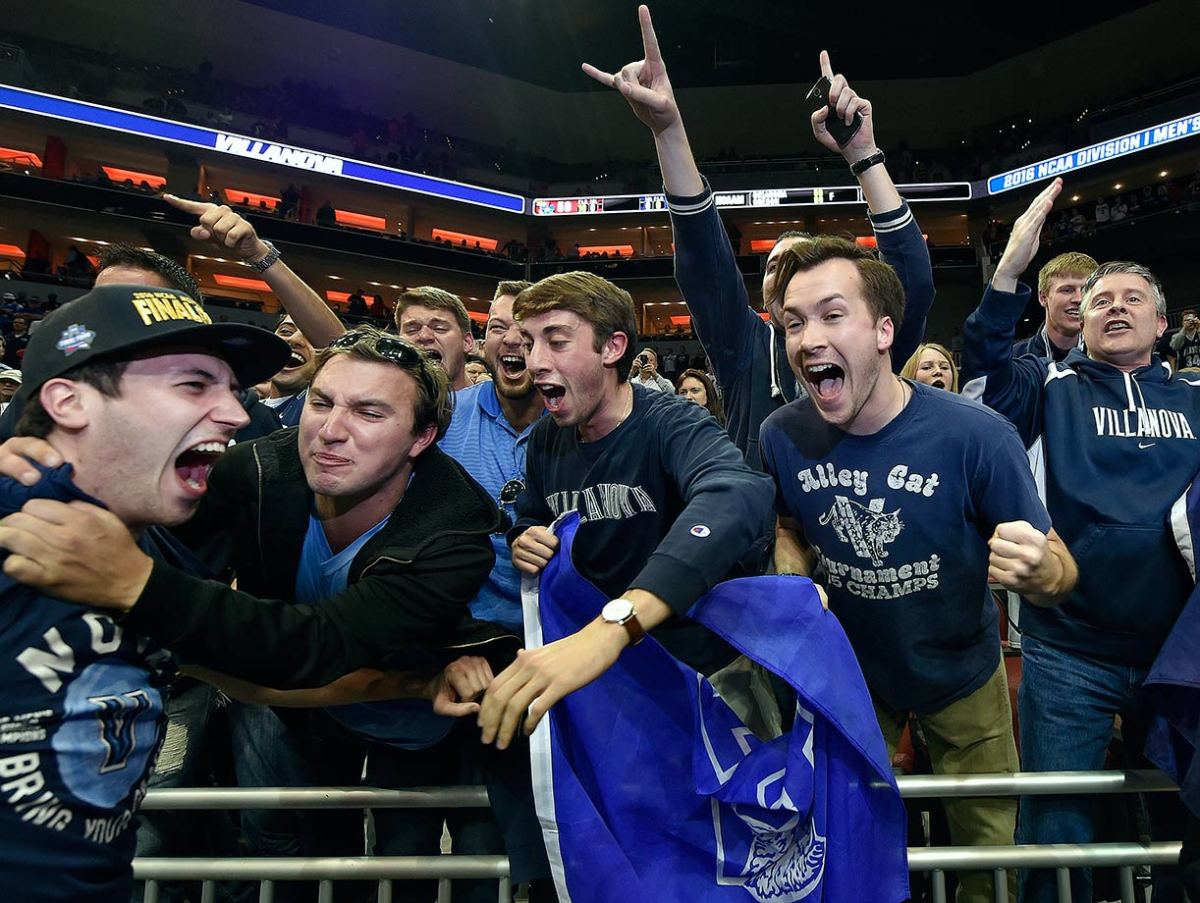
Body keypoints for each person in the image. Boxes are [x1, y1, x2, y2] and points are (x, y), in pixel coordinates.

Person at [758, 236, 1077, 903]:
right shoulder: (782, 433)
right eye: (794, 322)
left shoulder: (976, 433)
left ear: (883, 330)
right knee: (853, 849)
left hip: (963, 671)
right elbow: (789, 523)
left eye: (831, 315)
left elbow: (1060, 568)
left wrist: (1039, 569)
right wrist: (789, 564)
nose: (808, 337)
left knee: (989, 858)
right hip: (852, 675)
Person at [0, 283, 289, 901]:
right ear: (68, 401)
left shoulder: (154, 550)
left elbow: (265, 656)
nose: (237, 413)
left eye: (231, 388)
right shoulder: (9, 526)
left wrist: (416, 681)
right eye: (193, 384)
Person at [961, 178, 1200, 903]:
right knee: (1056, 831)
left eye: (1133, 299)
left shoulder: (1196, 399)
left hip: (1178, 654)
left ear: (1163, 324)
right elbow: (980, 382)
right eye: (1100, 300)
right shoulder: (1049, 387)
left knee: (1181, 821)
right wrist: (1007, 275)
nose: (1116, 307)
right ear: (1079, 321)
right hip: (1071, 651)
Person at [582, 6, 934, 465]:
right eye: (775, 267)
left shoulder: (870, 341)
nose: (789, 277)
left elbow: (912, 282)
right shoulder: (745, 344)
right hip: (767, 535)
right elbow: (705, 267)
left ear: (880, 329)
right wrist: (668, 130)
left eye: (803, 266)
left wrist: (864, 154)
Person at [479, 270, 776, 750]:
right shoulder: (547, 437)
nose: (534, 361)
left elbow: (738, 493)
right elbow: (533, 511)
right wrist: (524, 535)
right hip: (605, 678)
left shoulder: (672, 422)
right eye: (529, 343)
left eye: (556, 342)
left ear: (613, 348)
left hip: (697, 671)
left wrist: (618, 622)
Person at [439, 280, 539, 634]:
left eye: (524, 328)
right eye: (498, 327)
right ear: (481, 344)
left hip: (567, 632)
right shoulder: (444, 417)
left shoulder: (580, 424)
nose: (511, 338)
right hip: (463, 631)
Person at [1010, 252, 1097, 362]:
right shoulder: (1015, 359)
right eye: (1067, 290)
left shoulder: (1109, 359)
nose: (1079, 299)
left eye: (1085, 290)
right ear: (1043, 298)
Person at [395, 286, 476, 390]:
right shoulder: (381, 400)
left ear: (467, 342)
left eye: (439, 328)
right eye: (412, 330)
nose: (424, 336)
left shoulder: (493, 404)